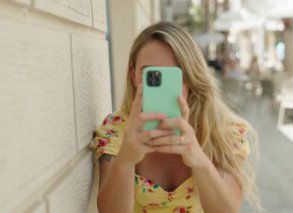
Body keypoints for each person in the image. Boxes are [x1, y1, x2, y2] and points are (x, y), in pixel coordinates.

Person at [92, 22, 260, 212]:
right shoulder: (116, 130)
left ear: (190, 76)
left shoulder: (224, 131)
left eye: (173, 74)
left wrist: (197, 156)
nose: (162, 83)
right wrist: (126, 159)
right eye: (152, 74)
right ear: (133, 75)